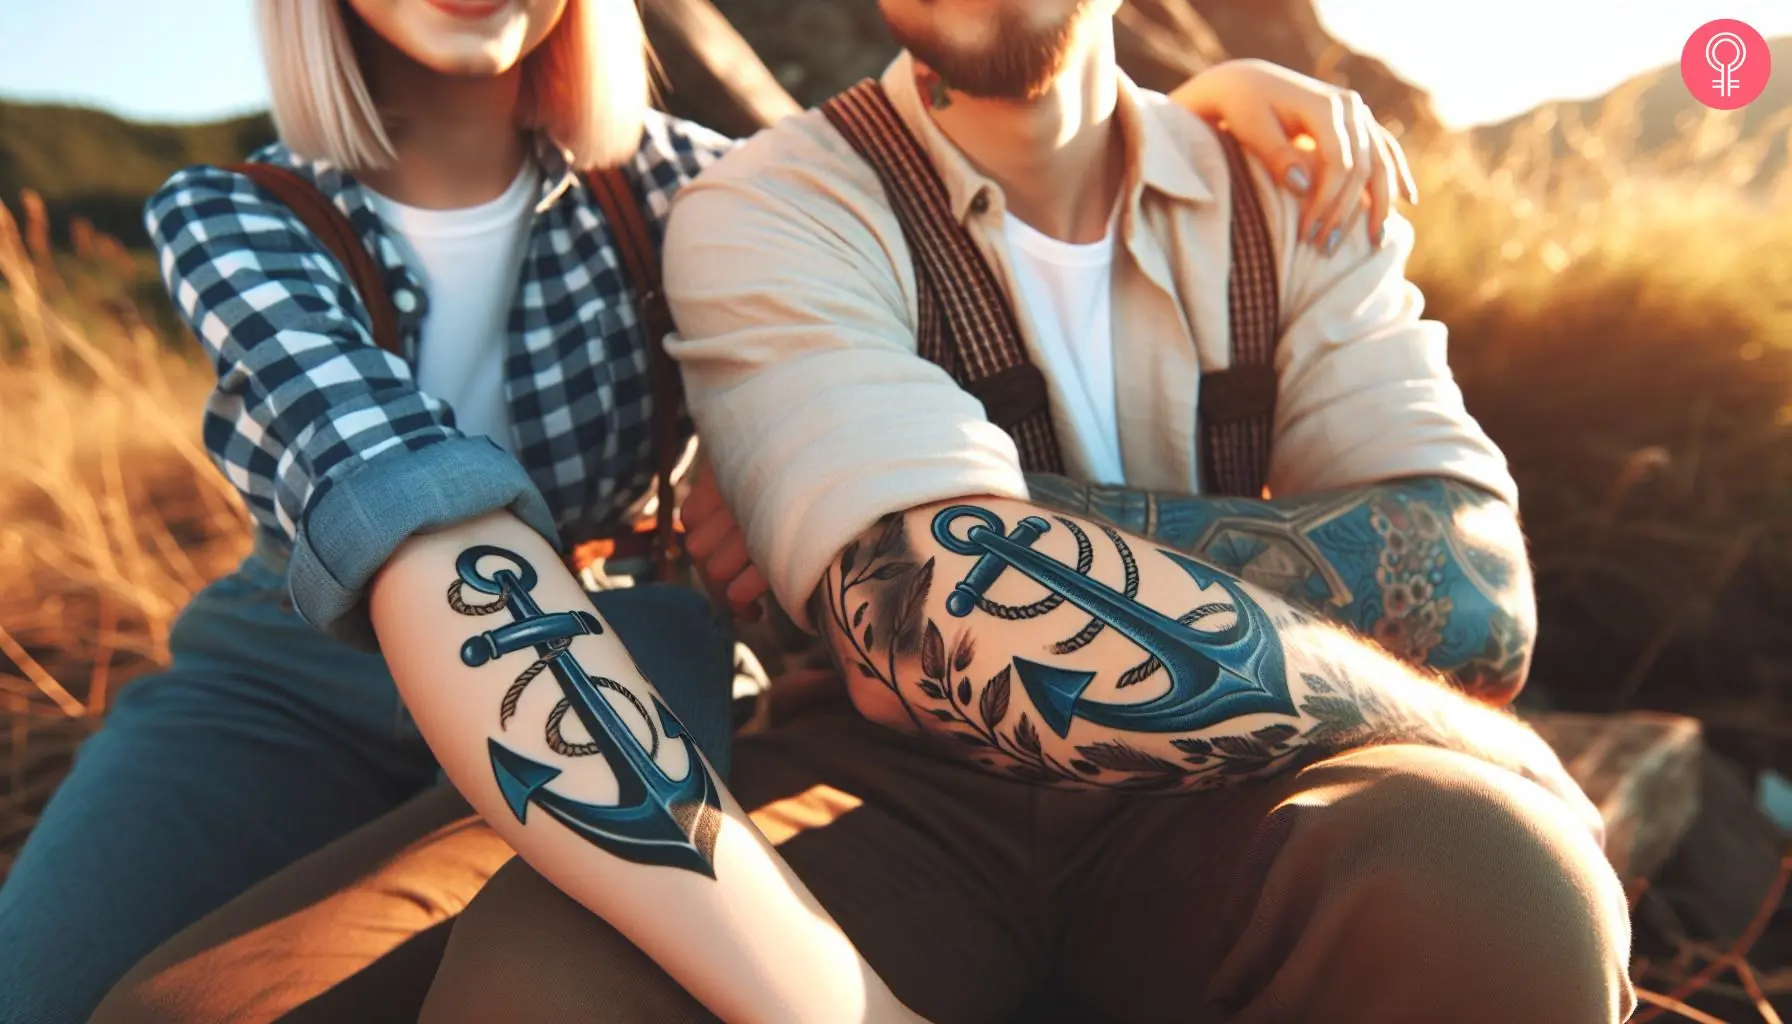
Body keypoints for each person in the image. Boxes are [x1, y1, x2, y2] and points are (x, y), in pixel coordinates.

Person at [0, 3, 1411, 1023]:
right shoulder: (236, 214)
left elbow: (939, 133)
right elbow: (415, 520)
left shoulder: (681, 182)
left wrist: (1201, 97)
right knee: (42, 986)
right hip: (284, 673)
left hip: (631, 635)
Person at [401, 2, 1638, 1023]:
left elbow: (1474, 595)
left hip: (1254, 785)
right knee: (551, 985)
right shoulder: (776, 202)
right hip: (884, 792)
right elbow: (939, 621)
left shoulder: (1289, 183)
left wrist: (981, 520)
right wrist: (1468, 728)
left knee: (1495, 886)